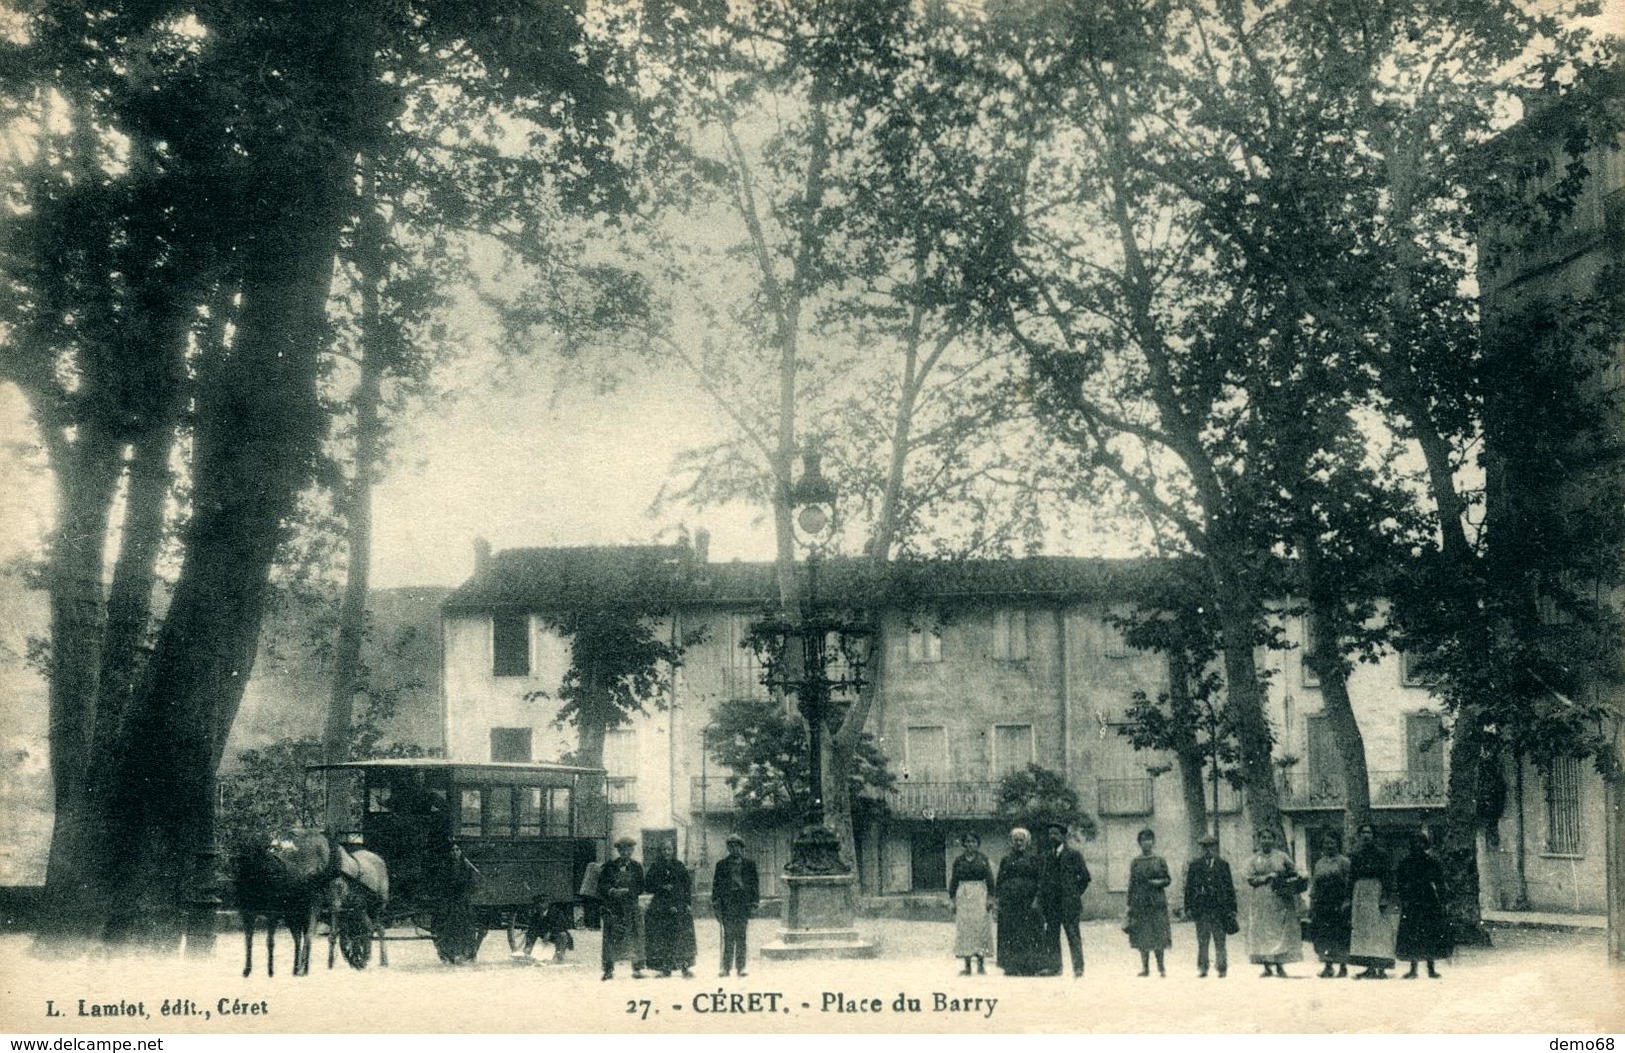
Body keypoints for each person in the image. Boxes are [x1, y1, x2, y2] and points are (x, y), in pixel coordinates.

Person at [1244, 828, 1304, 978]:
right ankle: (1266, 966)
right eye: (1263, 838)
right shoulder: (1253, 859)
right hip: (1261, 898)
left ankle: (1279, 965)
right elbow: (1250, 878)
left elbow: (1295, 870)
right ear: (1259, 840)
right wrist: (1265, 878)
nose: (1266, 841)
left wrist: (1299, 874)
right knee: (1262, 931)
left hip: (1280, 898)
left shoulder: (1282, 856)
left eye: (1269, 838)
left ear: (1274, 840)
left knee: (1279, 931)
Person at [1394, 831, 1452, 979]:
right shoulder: (1405, 863)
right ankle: (1413, 968)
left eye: (1421, 842)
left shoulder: (1431, 862)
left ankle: (1431, 968)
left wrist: (1443, 900)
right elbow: (1399, 883)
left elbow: (1439, 882)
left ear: (1425, 845)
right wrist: (1403, 897)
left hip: (1428, 901)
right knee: (1412, 934)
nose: (1418, 845)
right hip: (1412, 901)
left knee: (1429, 933)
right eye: (1415, 842)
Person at [1038, 821, 1091, 978]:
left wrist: (1074, 893)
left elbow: (1085, 878)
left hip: (1069, 904)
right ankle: (1055, 968)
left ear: (1063, 836)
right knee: (1052, 936)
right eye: (1050, 834)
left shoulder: (1073, 855)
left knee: (1073, 935)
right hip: (1052, 905)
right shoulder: (1047, 857)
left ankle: (1078, 968)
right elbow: (1043, 880)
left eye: (1056, 833)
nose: (1052, 837)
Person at [994, 827, 1047, 976]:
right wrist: (999, 900)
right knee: (1011, 933)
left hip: (1028, 902)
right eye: (1016, 840)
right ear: (1012, 842)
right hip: (1010, 903)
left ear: (1027, 841)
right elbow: (1000, 880)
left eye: (1021, 840)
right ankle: (1012, 966)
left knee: (1029, 933)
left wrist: (1037, 899)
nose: (1018, 843)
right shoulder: (1006, 860)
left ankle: (1030, 966)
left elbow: (1040, 881)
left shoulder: (1034, 859)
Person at [1183, 832, 1237, 978]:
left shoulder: (1223, 865)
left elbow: (1229, 887)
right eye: (1204, 847)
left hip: (1220, 909)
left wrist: (1232, 908)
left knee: (1220, 939)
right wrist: (1188, 907)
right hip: (1202, 909)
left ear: (1215, 847)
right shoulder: (1195, 865)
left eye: (1211, 846)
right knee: (1203, 939)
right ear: (1201, 848)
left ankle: (1222, 967)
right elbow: (1189, 888)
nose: (1208, 850)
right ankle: (1203, 967)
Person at [1347, 822, 1396, 979]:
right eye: (1363, 833)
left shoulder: (1381, 854)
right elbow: (1352, 877)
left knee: (1379, 930)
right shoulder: (1356, 855)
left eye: (1369, 833)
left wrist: (1385, 897)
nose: (1366, 835)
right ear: (1359, 836)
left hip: (1377, 890)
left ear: (1373, 836)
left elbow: (1388, 876)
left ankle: (1381, 967)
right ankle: (1368, 967)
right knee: (1363, 930)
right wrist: (1349, 898)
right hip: (1360, 892)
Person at [644, 841, 697, 978]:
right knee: (662, 936)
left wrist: (688, 903)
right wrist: (661, 886)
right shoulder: (655, 866)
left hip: (679, 904)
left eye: (669, 849)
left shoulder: (679, 866)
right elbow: (648, 885)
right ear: (660, 851)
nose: (667, 852)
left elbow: (687, 886)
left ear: (673, 850)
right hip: (661, 906)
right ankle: (664, 968)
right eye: (664, 849)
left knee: (682, 936)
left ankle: (685, 967)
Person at [1124, 827, 1172, 977]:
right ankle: (1145, 968)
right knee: (1142, 935)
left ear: (1153, 842)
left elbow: (1167, 879)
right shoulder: (1136, 862)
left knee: (1159, 934)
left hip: (1157, 903)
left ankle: (1161, 967)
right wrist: (1129, 905)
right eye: (1144, 840)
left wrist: (1156, 883)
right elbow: (1131, 884)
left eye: (1149, 840)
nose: (1147, 843)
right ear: (1140, 843)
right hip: (1140, 904)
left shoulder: (1159, 860)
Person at [711, 834, 759, 978]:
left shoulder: (750, 865)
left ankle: (741, 967)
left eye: (737, 846)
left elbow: (755, 885)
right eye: (731, 846)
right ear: (728, 848)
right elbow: (716, 886)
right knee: (728, 935)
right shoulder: (721, 865)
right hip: (727, 903)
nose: (734, 849)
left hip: (743, 903)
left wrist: (754, 903)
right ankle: (725, 968)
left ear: (741, 848)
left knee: (741, 936)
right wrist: (715, 903)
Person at [598, 836, 646, 980]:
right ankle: (608, 969)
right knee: (611, 938)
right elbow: (601, 886)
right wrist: (612, 891)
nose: (626, 852)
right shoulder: (609, 867)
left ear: (632, 851)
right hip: (614, 908)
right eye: (623, 849)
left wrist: (628, 891)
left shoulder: (637, 867)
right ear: (618, 850)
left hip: (631, 907)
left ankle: (637, 969)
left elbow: (641, 886)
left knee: (635, 936)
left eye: (629, 850)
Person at [949, 832, 995, 975]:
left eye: (973, 842)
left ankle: (981, 964)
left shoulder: (983, 860)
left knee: (981, 928)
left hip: (980, 894)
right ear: (964, 844)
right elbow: (954, 881)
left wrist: (990, 898)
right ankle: (967, 965)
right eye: (967, 842)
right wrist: (953, 900)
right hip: (963, 895)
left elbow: (990, 880)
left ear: (977, 844)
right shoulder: (959, 861)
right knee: (965, 930)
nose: (970, 845)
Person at [1309, 830, 1352, 978]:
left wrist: (1347, 901)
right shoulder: (1319, 863)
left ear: (1337, 844)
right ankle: (1328, 966)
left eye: (1332, 842)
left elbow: (1349, 884)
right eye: (1326, 843)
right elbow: (1314, 884)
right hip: (1322, 903)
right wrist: (1312, 903)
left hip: (1338, 903)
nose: (1329, 846)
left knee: (1339, 934)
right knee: (1324, 935)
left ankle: (1343, 966)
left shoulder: (1344, 862)